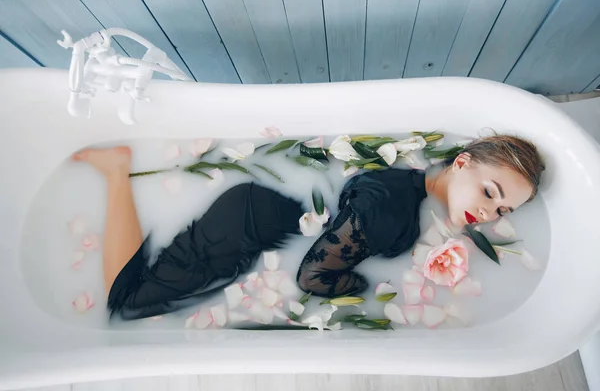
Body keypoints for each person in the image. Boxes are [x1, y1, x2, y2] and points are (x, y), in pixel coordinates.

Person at [72, 135, 544, 321]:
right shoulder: (392, 214)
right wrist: (364, 284)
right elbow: (311, 278)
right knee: (127, 302)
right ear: (460, 163)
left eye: (504, 212)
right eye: (490, 192)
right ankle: (116, 171)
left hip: (258, 208)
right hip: (245, 226)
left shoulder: (412, 180)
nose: (490, 214)